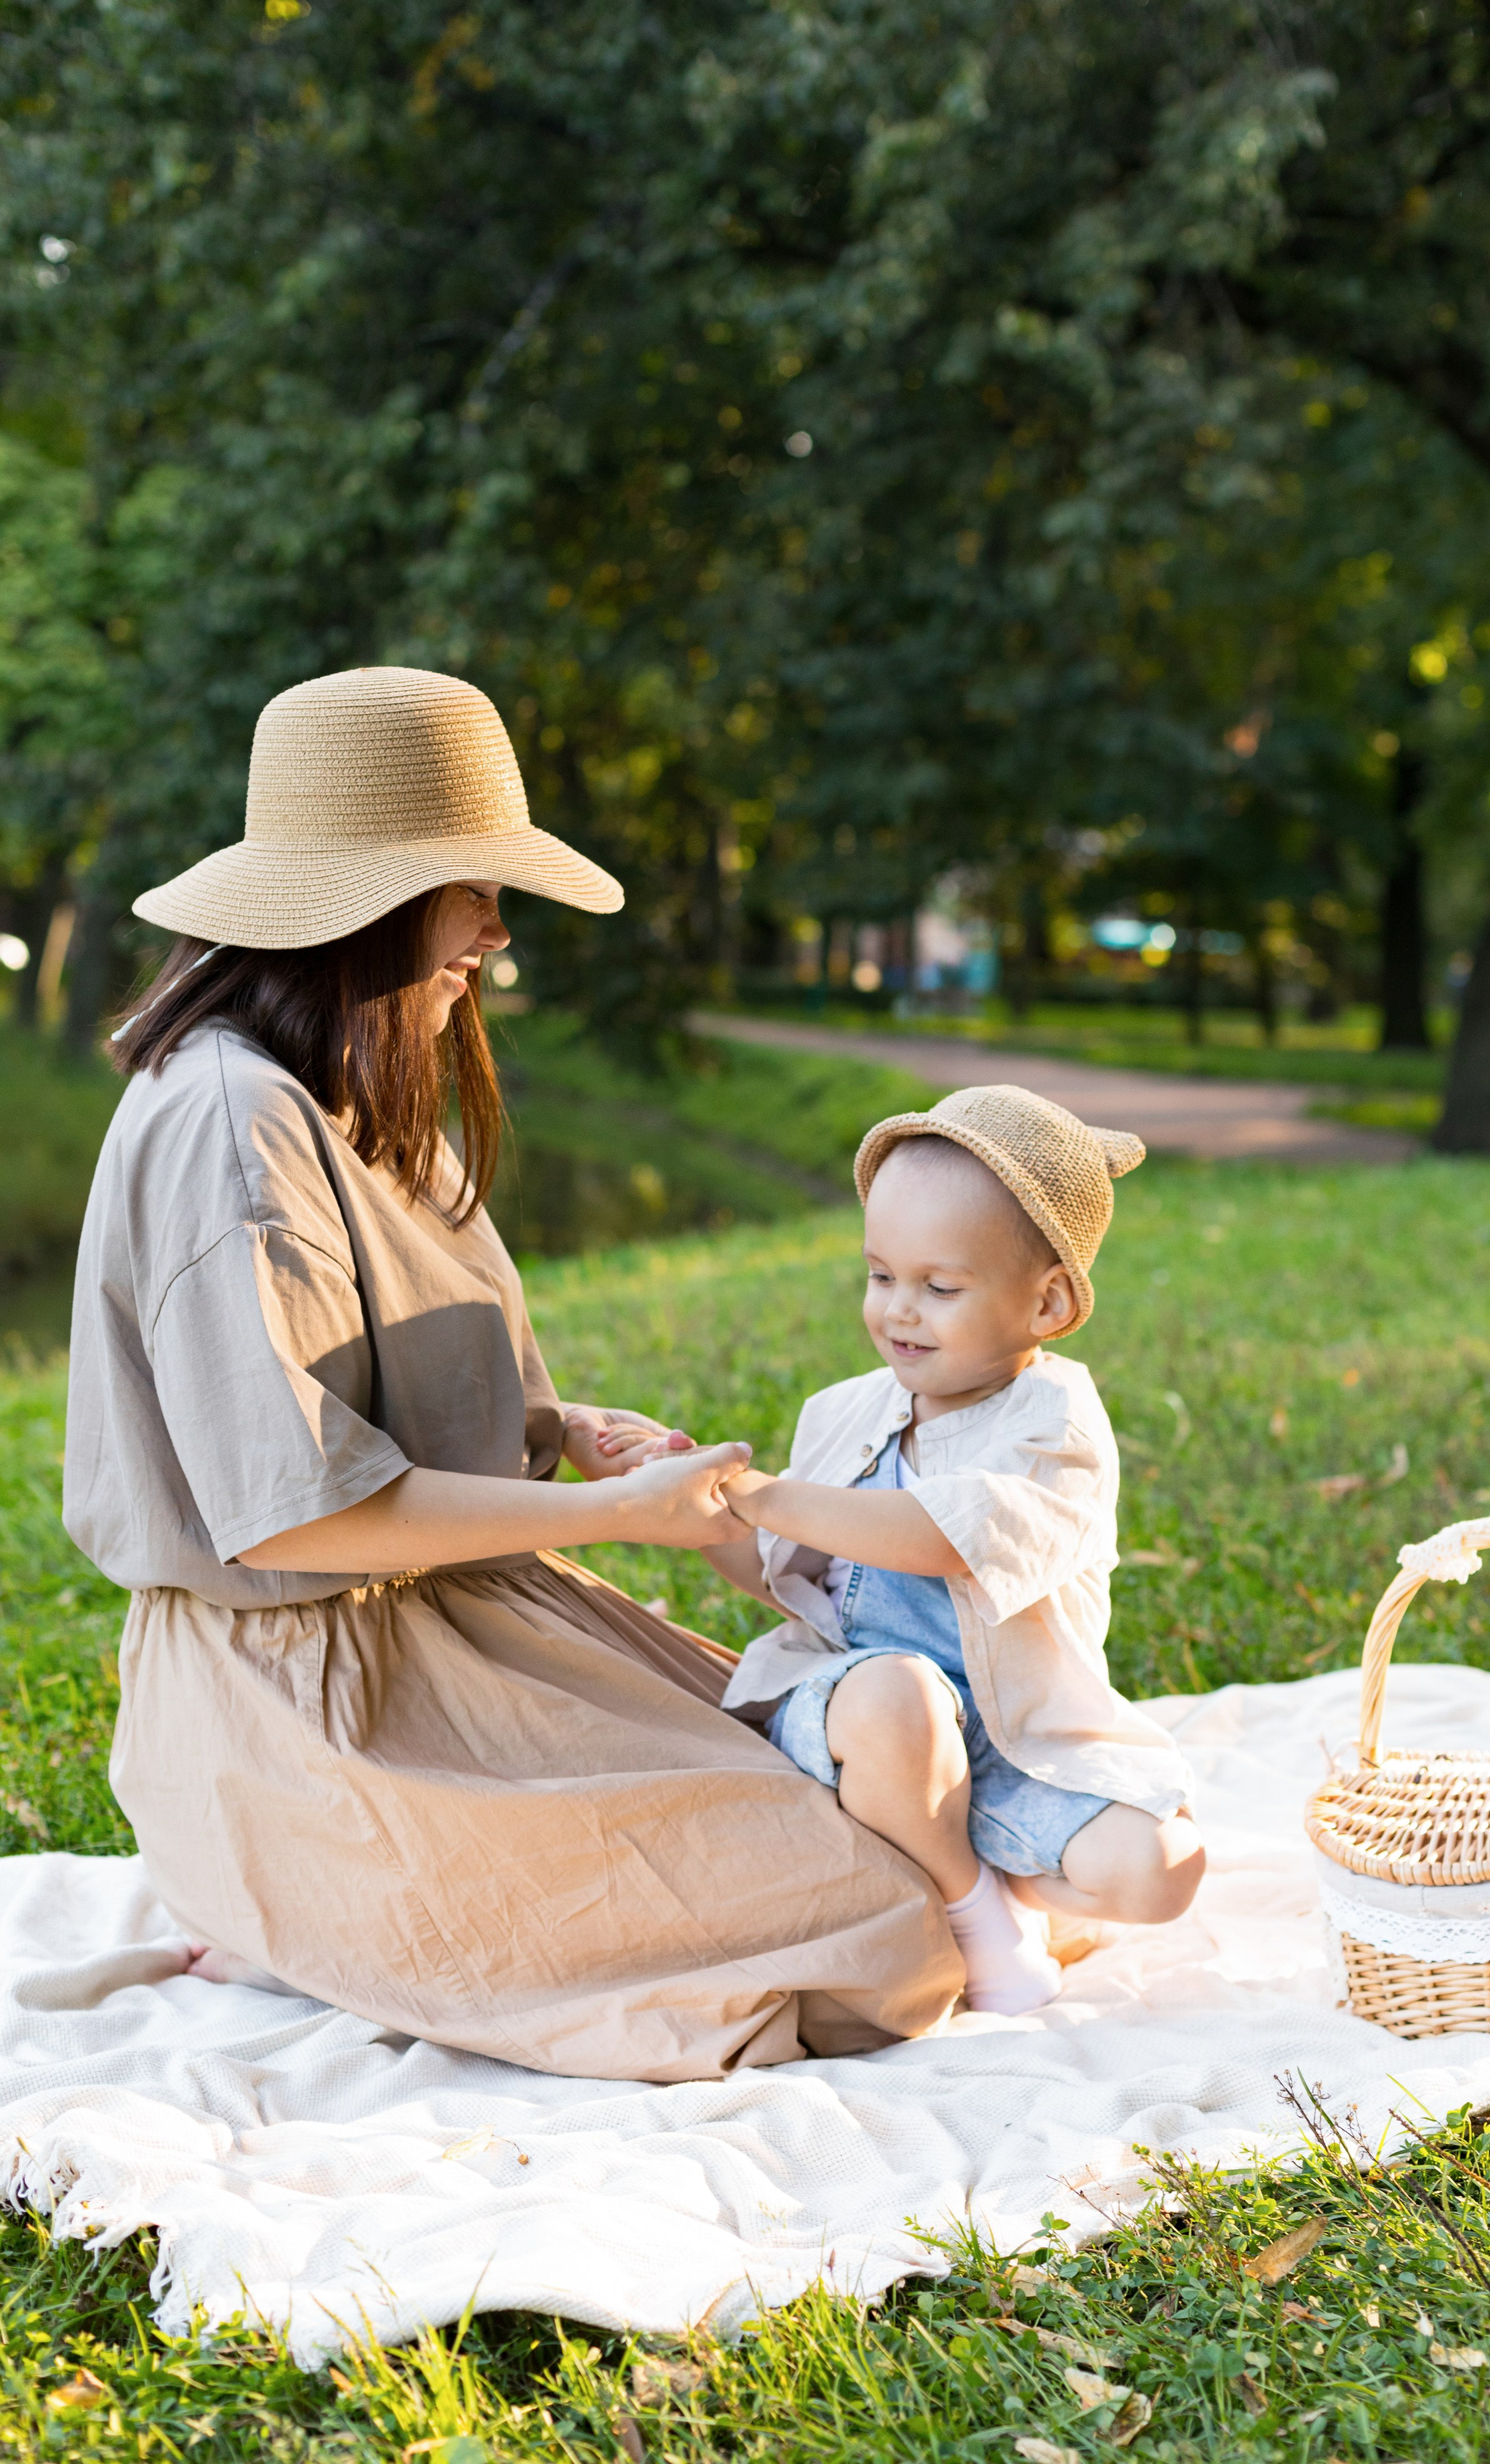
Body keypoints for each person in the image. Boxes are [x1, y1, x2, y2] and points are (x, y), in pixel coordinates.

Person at [62, 664, 960, 2081]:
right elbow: (297, 1517)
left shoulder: (366, 1085)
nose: (493, 924)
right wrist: (619, 1519)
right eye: (469, 883)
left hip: (463, 1631)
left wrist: (562, 1429)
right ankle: (300, 1910)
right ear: (364, 896)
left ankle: (347, 1927)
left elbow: (393, 1399)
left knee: (895, 1842)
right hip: (306, 1702)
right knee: (873, 1935)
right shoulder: (232, 1125)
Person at [691, 1085, 1205, 2014]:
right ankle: (976, 1919)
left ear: (1046, 1303)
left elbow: (939, 1540)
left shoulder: (1057, 1429)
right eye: (881, 1275)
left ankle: (973, 1883)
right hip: (869, 1723)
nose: (898, 1312)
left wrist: (764, 1493)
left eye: (940, 1287)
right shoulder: (846, 1412)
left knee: (1162, 1868)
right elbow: (780, 1575)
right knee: (898, 1694)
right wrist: (696, 1501)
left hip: (1011, 1740)